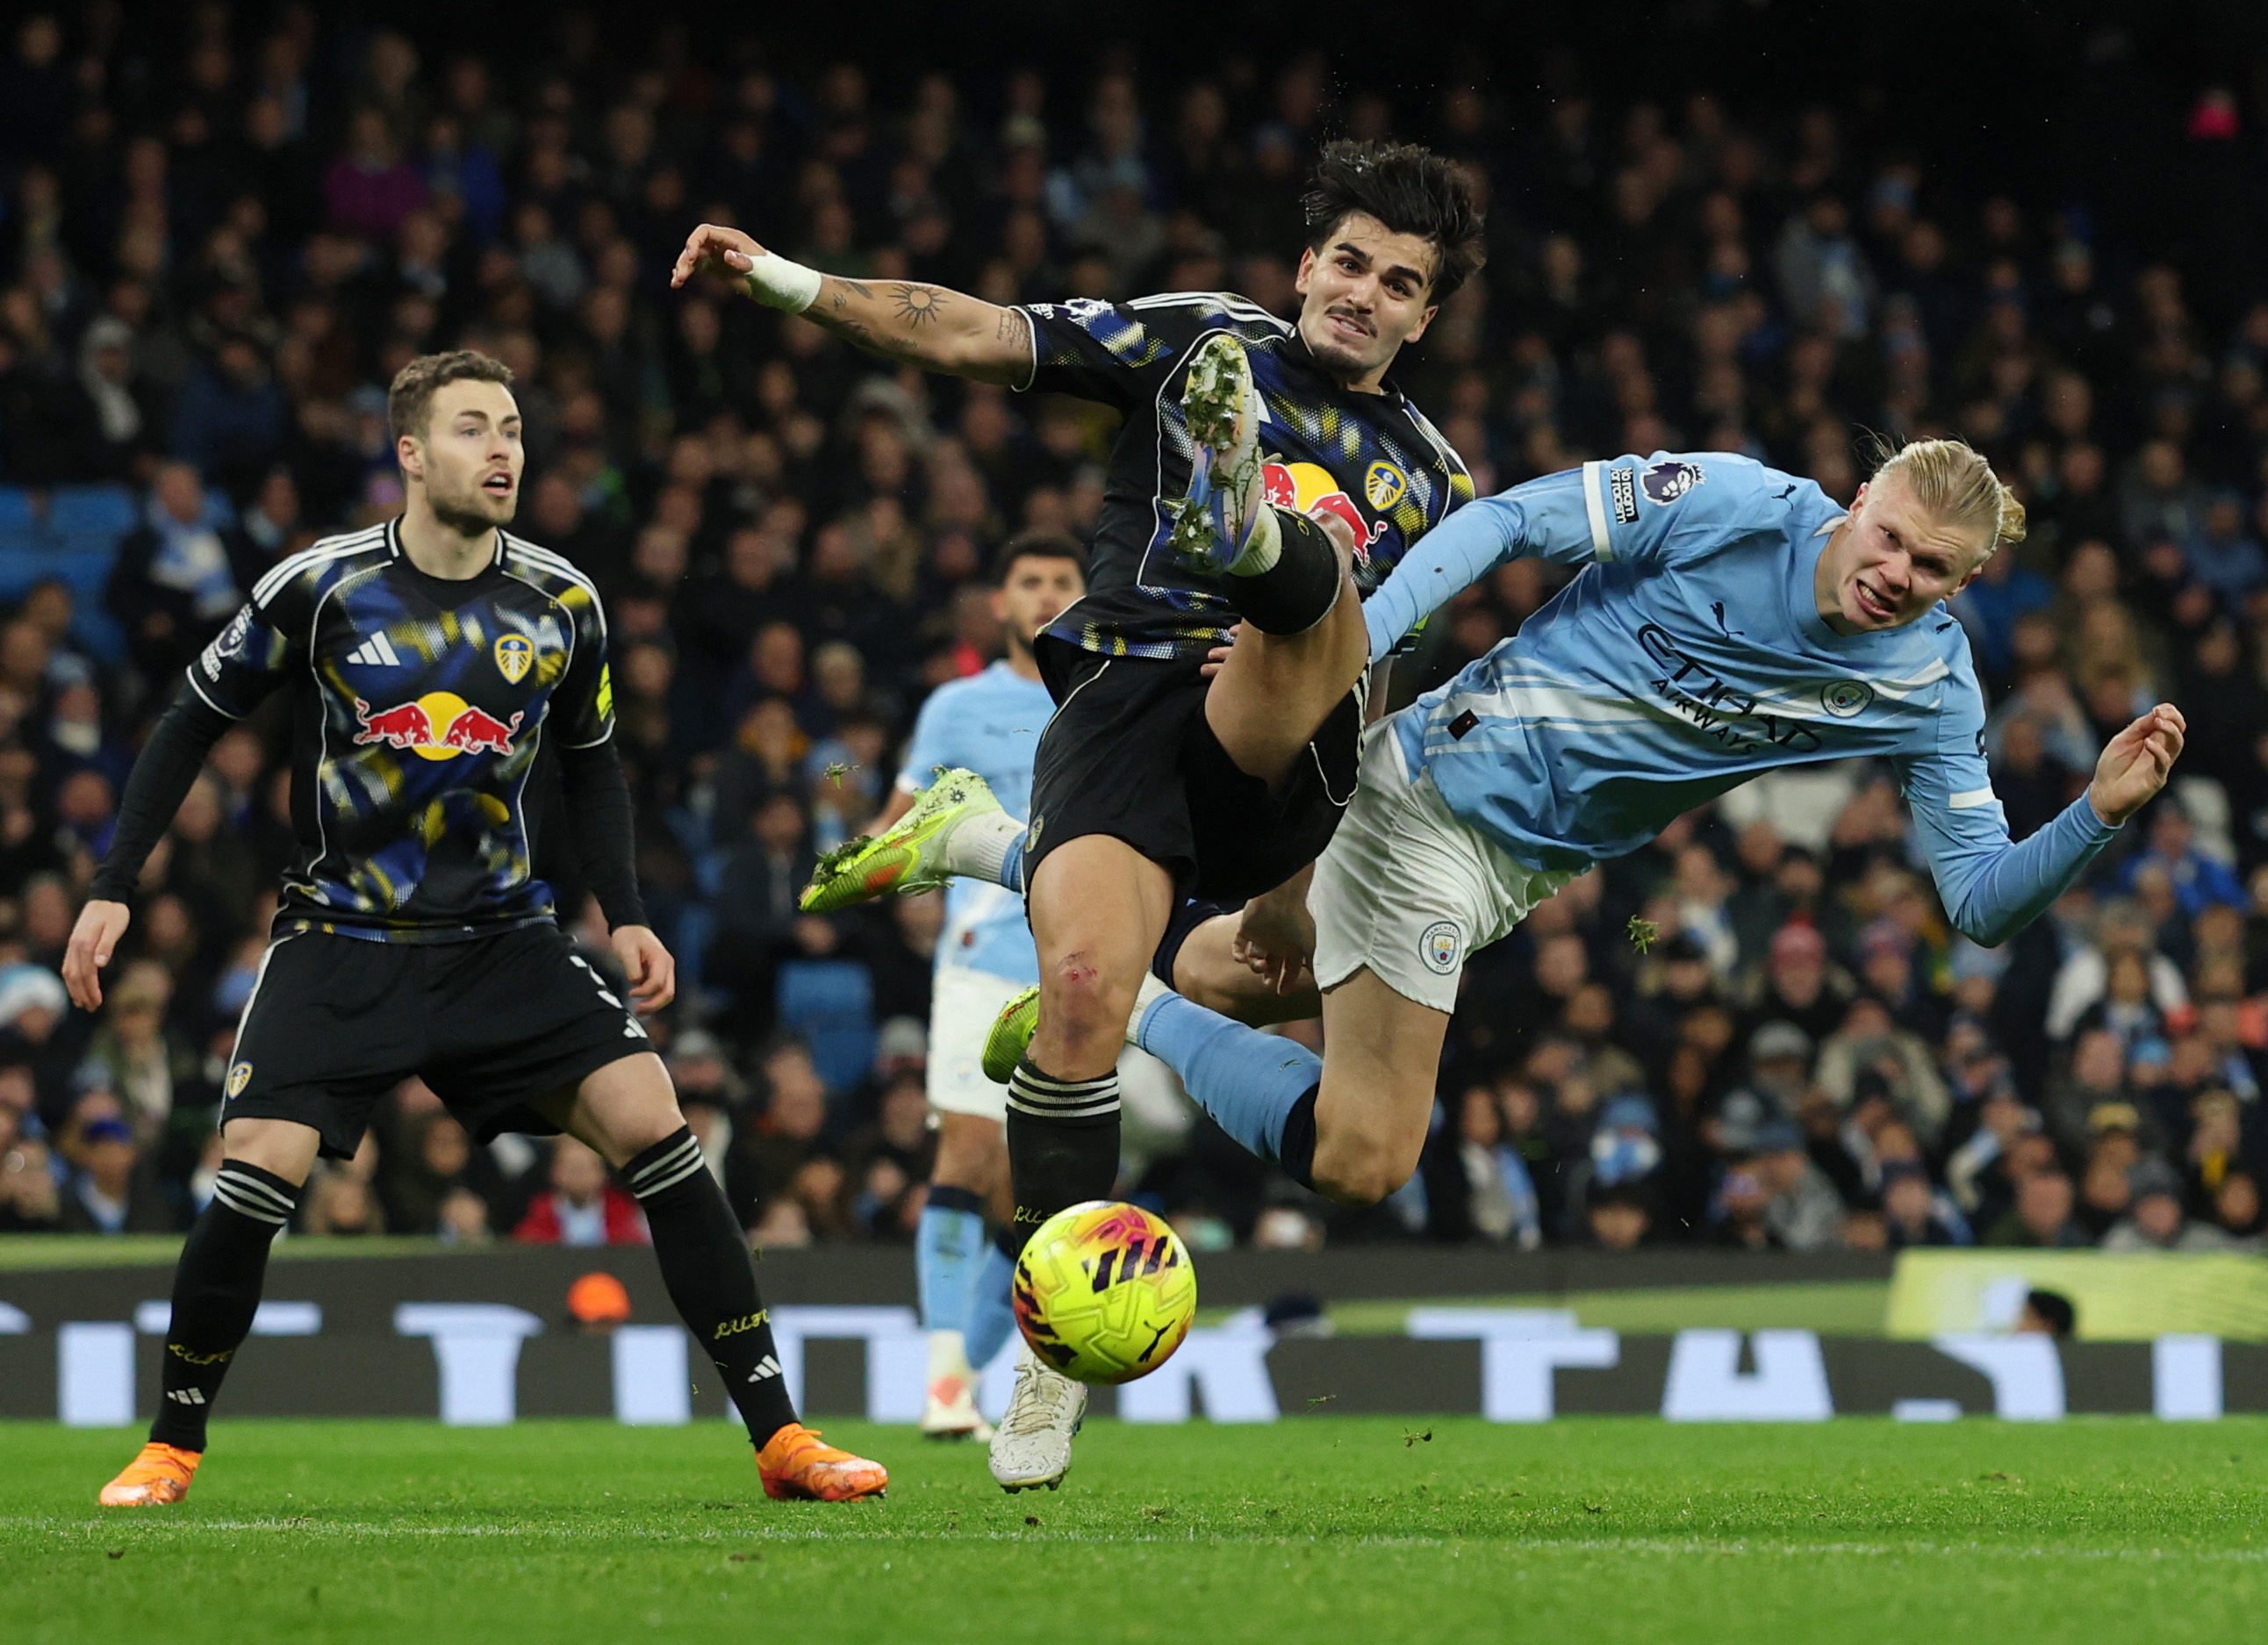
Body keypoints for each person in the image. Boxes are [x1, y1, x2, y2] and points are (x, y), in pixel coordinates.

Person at [678, 139, 1485, 1491]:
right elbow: (976, 333)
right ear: (1304, 265)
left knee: (1320, 605)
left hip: (1282, 745)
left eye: (1396, 281)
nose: (1360, 292)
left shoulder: (1436, 477)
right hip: (1130, 704)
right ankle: (1044, 1377)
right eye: (1344, 261)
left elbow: (1378, 674)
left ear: (1423, 315)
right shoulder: (1193, 339)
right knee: (1082, 993)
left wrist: (1303, 870)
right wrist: (785, 280)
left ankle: (1251, 545)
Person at [994, 435, 2184, 1341]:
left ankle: (1014, 866)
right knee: (1363, 1156)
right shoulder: (1725, 506)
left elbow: (1976, 902)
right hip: (1433, 797)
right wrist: (1344, 650)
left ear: (1966, 581)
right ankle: (1117, 984)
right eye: (1888, 538)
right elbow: (1508, 519)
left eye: (1932, 570)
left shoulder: (1928, 682)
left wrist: (2093, 817)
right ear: (1860, 496)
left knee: (1237, 974)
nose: (1895, 574)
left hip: (1517, 869)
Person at [69, 351, 886, 1509]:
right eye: (470, 429)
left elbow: (595, 770)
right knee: (254, 1167)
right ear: (410, 453)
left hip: (504, 941)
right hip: (344, 937)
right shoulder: (322, 586)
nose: (501, 449)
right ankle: (172, 1442)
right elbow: (187, 719)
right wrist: (113, 880)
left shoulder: (562, 601)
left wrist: (630, 915)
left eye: (510, 429)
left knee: (659, 1126)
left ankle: (781, 1434)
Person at [884, 535, 1177, 1440]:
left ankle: (966, 1377)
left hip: (1095, 970)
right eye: (1028, 581)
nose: (1045, 593)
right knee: (966, 1157)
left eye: (1061, 580)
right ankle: (941, 1377)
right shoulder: (956, 706)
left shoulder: (1118, 693)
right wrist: (905, 887)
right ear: (1001, 602)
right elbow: (901, 822)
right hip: (985, 955)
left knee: (1036, 1193)